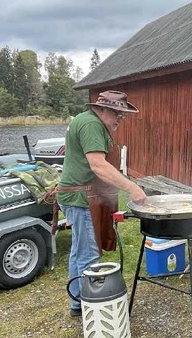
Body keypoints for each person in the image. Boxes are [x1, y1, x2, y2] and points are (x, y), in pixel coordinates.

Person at [57, 91, 147, 317]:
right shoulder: (91, 125)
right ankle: (93, 310)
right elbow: (97, 165)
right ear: (101, 109)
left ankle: (78, 303)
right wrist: (132, 188)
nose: (120, 119)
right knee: (89, 255)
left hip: (80, 195)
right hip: (81, 198)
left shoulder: (87, 121)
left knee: (79, 251)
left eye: (123, 115)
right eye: (117, 113)